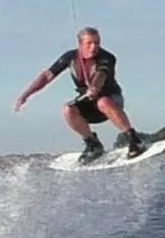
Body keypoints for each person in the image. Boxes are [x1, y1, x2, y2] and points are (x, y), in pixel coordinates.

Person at [14, 26, 146, 162]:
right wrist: (25, 95)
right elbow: (47, 76)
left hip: (112, 100)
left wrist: (94, 87)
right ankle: (92, 144)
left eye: (97, 42)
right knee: (68, 109)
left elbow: (101, 74)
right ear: (80, 44)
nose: (94, 47)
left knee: (103, 102)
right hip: (88, 102)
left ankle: (133, 139)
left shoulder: (107, 57)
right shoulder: (70, 57)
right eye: (89, 43)